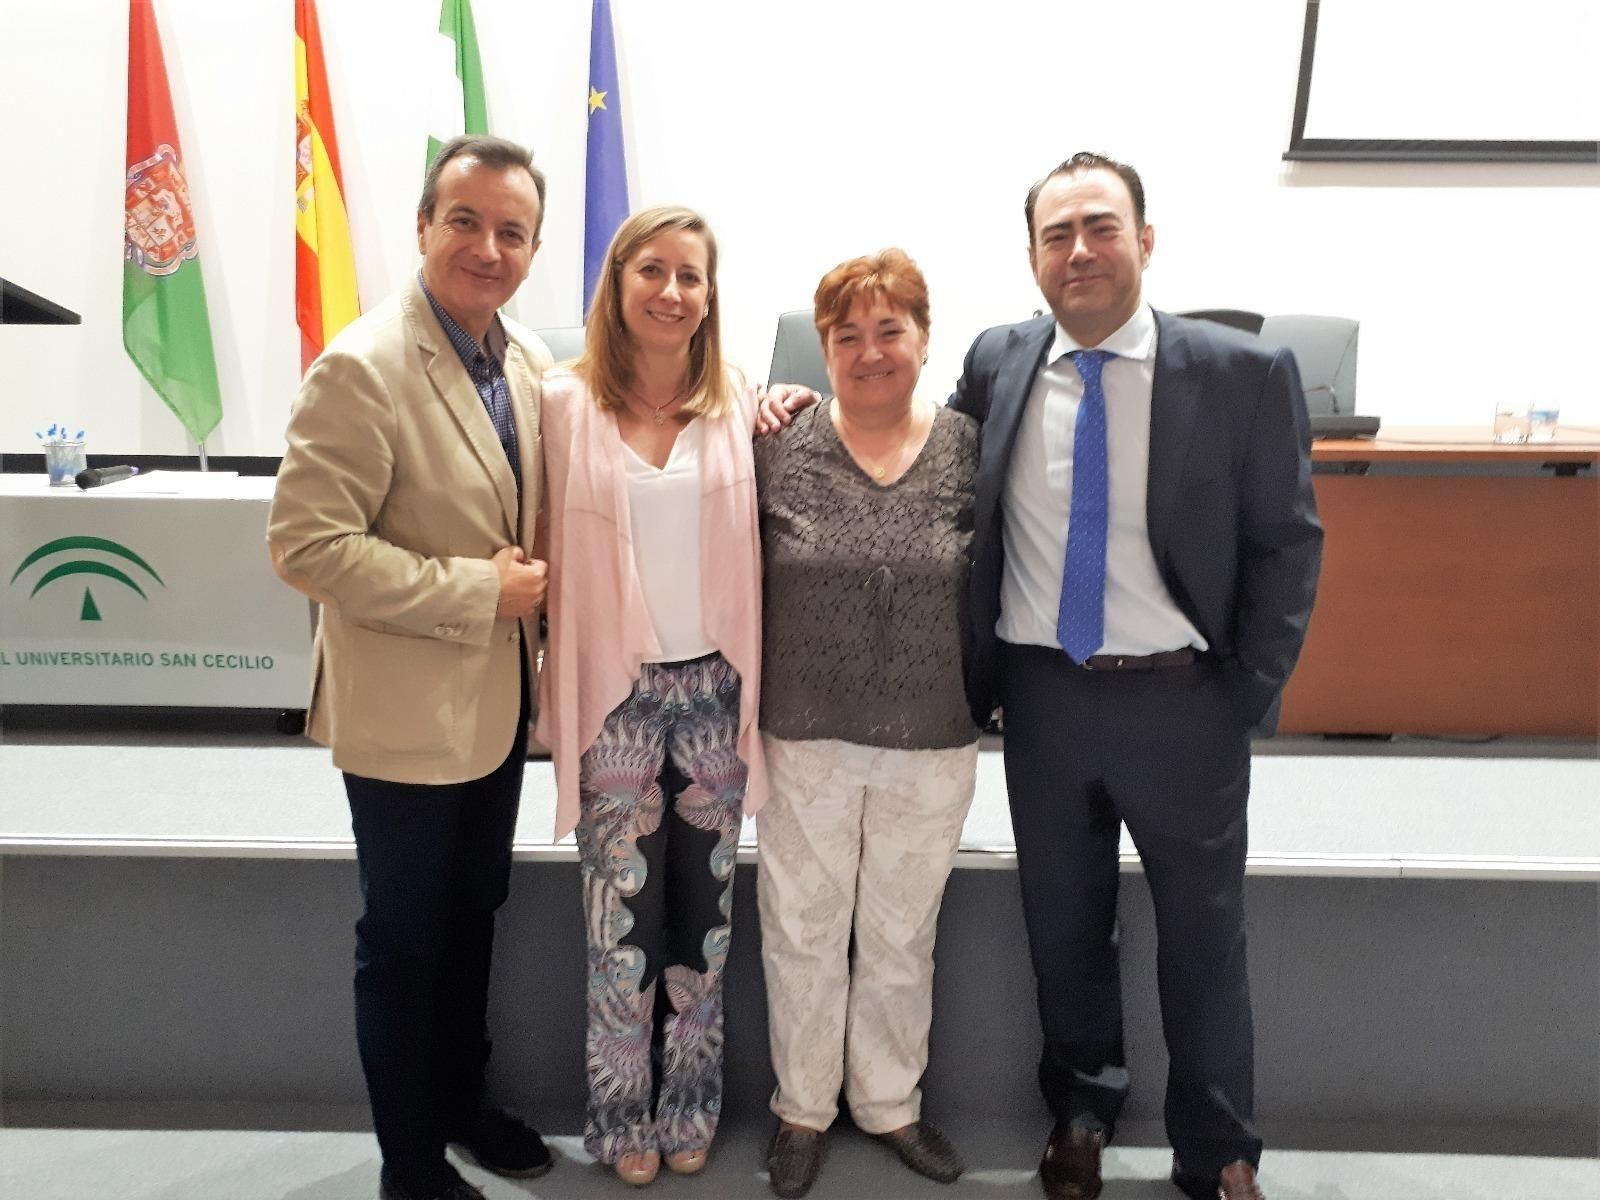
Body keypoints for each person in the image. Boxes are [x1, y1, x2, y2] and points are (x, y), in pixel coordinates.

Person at [950, 153, 1322, 1200]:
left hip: (1182, 700)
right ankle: (1079, 1112)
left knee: (1203, 938)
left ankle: (1220, 1150)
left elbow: (1286, 544)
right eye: (1056, 234)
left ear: (1145, 241)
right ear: (1030, 257)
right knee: (1063, 930)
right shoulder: (997, 361)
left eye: (1100, 227)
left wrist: (1244, 690)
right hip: (1044, 698)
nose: (1079, 251)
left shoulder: (1242, 373)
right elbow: (920, 465)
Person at [267, 135, 555, 1200]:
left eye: (511, 231)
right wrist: (479, 592)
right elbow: (307, 548)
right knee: (403, 940)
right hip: (403, 716)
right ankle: (409, 1162)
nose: (487, 247)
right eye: (466, 222)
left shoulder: (520, 359)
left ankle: (458, 1102)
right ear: (425, 226)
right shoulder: (363, 365)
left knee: (471, 916)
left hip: (494, 711)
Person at [536, 205, 766, 1188]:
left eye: (692, 276)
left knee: (702, 925)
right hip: (613, 702)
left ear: (711, 297)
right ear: (618, 281)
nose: (672, 292)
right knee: (617, 923)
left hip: (715, 694)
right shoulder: (561, 403)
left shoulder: (740, 401)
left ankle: (691, 1099)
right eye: (653, 271)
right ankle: (619, 1108)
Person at [753, 249, 982, 1199]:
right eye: (846, 334)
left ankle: (889, 1105)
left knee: (900, 930)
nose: (870, 350)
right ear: (823, 349)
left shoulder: (974, 445)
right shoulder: (776, 441)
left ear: (926, 340)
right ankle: (803, 1108)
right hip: (804, 730)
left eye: (891, 330)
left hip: (935, 734)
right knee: (802, 927)